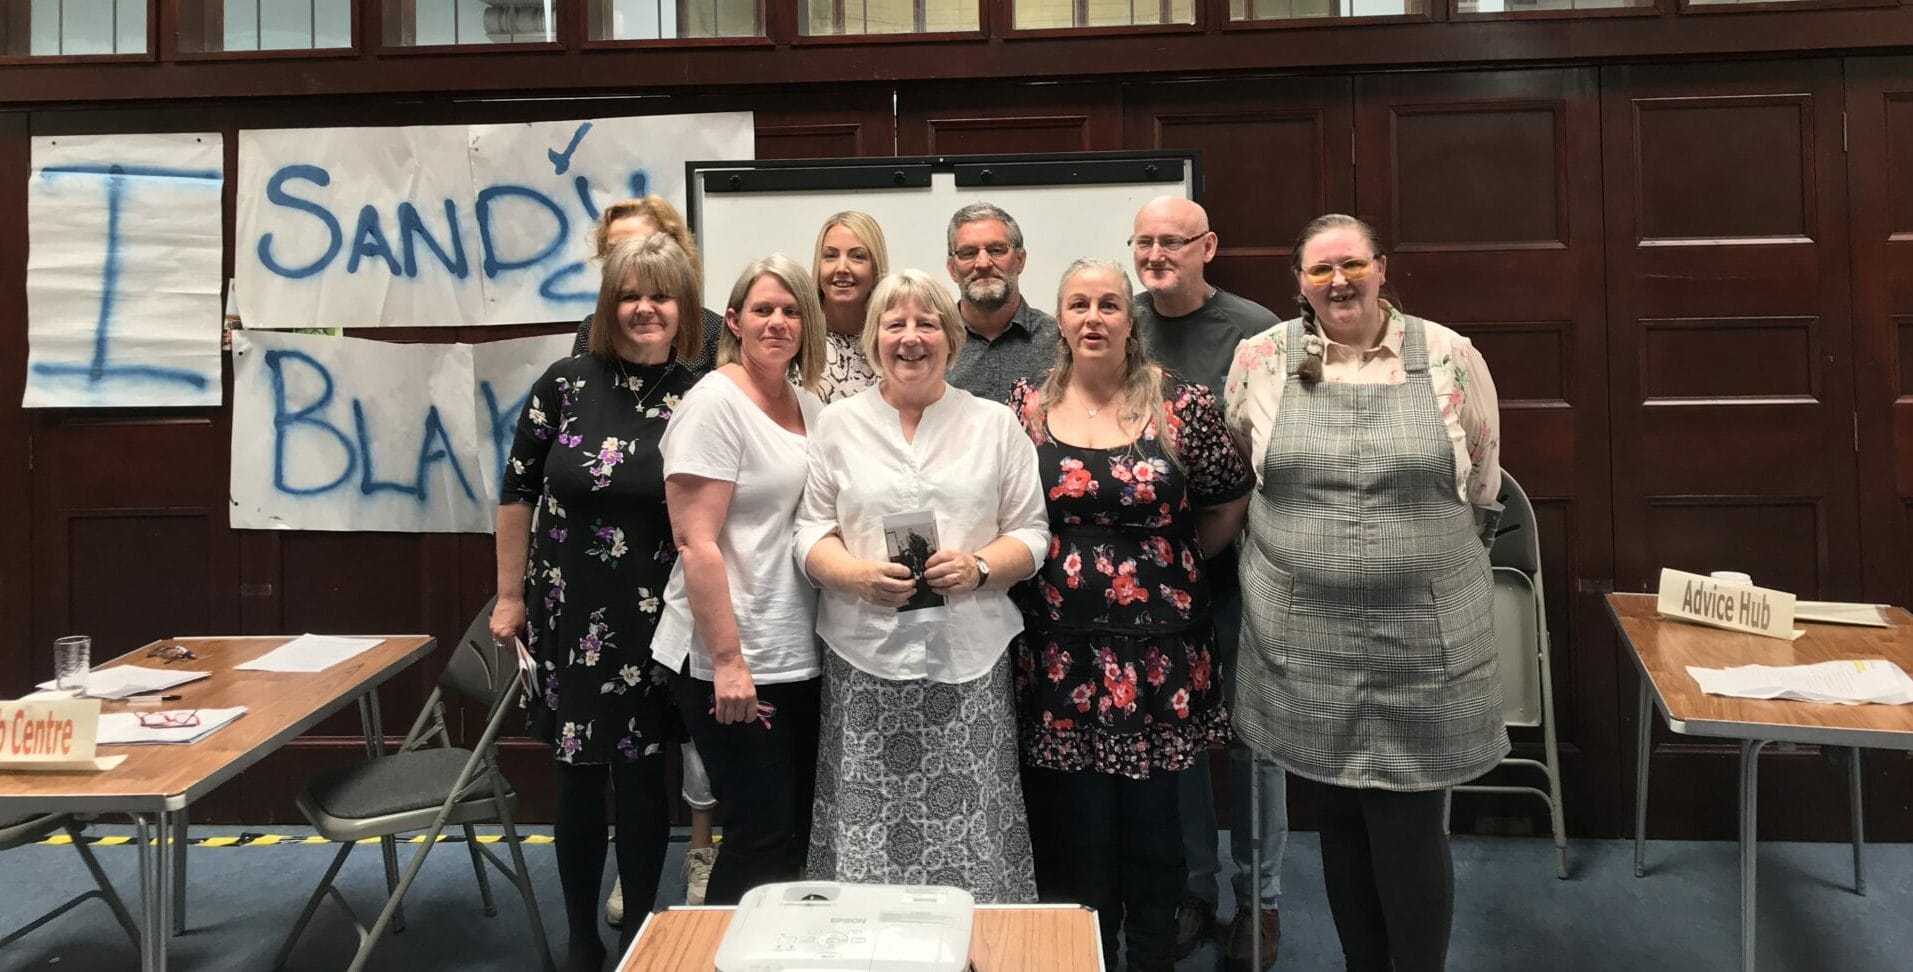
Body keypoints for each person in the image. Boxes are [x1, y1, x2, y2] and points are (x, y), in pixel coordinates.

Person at [1223, 214, 1507, 972]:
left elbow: (1481, 486)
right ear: (1298, 284)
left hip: (1421, 639)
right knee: (1337, 816)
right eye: (1320, 271)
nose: (1338, 282)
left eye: (1352, 265)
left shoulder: (1449, 356)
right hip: (1302, 637)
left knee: (1407, 821)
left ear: (1383, 268)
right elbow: (1245, 472)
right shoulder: (1259, 359)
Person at [1009, 259, 1250, 972]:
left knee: (1153, 829)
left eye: (1108, 304)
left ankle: (1150, 958)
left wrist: (1168, 569)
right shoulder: (1024, 410)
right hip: (1058, 654)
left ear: (1129, 318)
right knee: (1075, 827)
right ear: (1059, 320)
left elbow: (1228, 495)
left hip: (1158, 657)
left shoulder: (1181, 406)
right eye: (1077, 303)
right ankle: (1085, 957)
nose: (1093, 317)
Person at [795, 269, 1048, 901]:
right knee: (868, 827)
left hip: (969, 658)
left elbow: (1034, 534)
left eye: (927, 323)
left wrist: (980, 568)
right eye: (894, 323)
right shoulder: (837, 425)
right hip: (864, 658)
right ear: (874, 337)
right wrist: (853, 574)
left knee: (974, 827)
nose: (910, 338)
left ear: (951, 337)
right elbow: (808, 533)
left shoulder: (995, 425)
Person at [490, 234, 704, 972]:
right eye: (629, 295)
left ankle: (640, 928)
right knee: (579, 773)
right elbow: (516, 490)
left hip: (662, 614)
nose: (645, 308)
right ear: (609, 305)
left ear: (683, 307)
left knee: (645, 775)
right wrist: (509, 595)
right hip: (571, 609)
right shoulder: (564, 382)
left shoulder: (703, 389)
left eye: (660, 295)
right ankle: (581, 937)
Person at [1129, 195, 1286, 969]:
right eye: (1144, 242)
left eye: (1172, 241)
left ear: (1207, 247)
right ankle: (1195, 889)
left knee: (1256, 739)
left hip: (1246, 569)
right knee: (1182, 744)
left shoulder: (1257, 330)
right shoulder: (1120, 325)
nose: (1156, 254)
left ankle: (1259, 901)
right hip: (1159, 581)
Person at [566, 194, 725, 918]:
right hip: (610, 584)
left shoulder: (715, 340)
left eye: (649, 252)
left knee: (693, 745)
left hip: (691, 574)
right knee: (626, 757)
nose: (637, 282)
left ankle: (700, 857)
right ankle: (635, 875)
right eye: (617, 260)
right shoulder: (585, 347)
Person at [652, 254, 828, 906]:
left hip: (797, 651)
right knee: (758, 831)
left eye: (789, 311)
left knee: (795, 833)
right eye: (762, 309)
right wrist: (727, 661)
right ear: (734, 320)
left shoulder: (809, 407)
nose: (777, 321)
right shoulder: (714, 404)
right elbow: (695, 541)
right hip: (729, 657)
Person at [573, 195, 725, 377]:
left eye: (637, 245)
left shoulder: (712, 330)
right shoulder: (592, 329)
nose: (624, 257)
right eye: (613, 250)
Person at [942, 202, 1058, 403]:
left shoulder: (1059, 341)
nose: (983, 263)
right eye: (968, 253)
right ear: (952, 269)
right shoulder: (931, 342)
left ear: (1020, 260)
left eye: (997, 250)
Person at [811, 210, 890, 402]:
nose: (842, 268)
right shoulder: (798, 337)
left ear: (876, 268)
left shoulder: (894, 338)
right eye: (830, 256)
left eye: (857, 257)